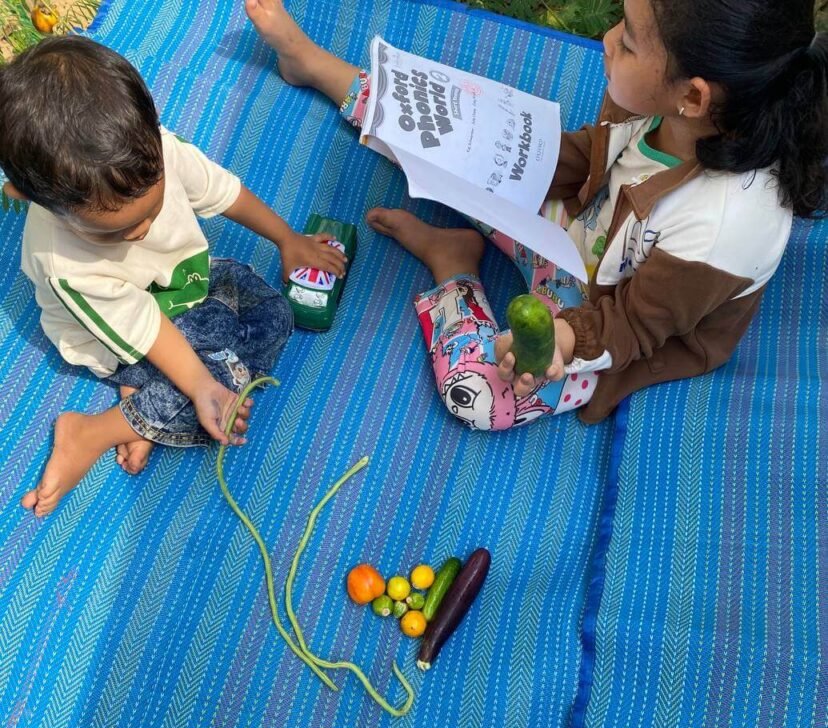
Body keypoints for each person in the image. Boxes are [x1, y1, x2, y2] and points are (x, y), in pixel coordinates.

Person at [245, 0, 827, 429]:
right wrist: (494, 157)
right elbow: (590, 160)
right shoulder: (656, 102)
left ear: (694, 96)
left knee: (476, 394)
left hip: (600, 319)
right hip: (572, 228)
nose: (606, 37)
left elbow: (633, 327)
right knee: (454, 141)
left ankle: (454, 268)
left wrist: (562, 339)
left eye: (626, 40)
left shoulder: (725, 226)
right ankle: (316, 66)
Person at [0, 36, 347, 516]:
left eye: (152, 208)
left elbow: (223, 193)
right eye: (116, 232)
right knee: (216, 393)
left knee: (274, 313)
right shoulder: (65, 263)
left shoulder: (157, 151)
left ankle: (142, 403)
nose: (142, 231)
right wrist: (201, 386)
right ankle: (93, 430)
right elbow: (144, 325)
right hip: (122, 335)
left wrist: (287, 239)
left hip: (181, 290)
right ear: (31, 197)